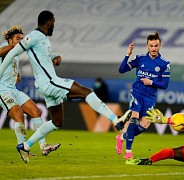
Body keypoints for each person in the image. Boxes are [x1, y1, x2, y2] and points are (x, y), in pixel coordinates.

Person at [0, 10, 131, 163]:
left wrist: (55, 57)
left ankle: (26, 146)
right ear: (49, 22)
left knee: (57, 122)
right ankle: (116, 120)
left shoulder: (42, 39)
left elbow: (41, 56)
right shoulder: (33, 36)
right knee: (85, 91)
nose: (54, 26)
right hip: (49, 82)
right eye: (53, 23)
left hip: (44, 85)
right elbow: (10, 53)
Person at [0, 25, 60, 157]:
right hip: (2, 90)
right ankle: (23, 150)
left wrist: (16, 74)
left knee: (36, 111)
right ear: (10, 40)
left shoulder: (14, 53)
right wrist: (15, 46)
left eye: (22, 38)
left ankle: (43, 147)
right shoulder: (5, 47)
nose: (20, 41)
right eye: (17, 38)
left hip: (13, 89)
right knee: (19, 115)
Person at [116, 32, 171, 159]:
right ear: (147, 45)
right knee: (134, 118)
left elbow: (164, 84)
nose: (153, 48)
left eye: (156, 45)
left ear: (160, 45)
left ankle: (122, 137)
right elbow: (122, 69)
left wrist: (150, 82)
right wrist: (127, 54)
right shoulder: (140, 58)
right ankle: (128, 152)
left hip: (150, 97)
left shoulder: (165, 63)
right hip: (137, 92)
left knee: (145, 124)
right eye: (151, 46)